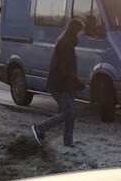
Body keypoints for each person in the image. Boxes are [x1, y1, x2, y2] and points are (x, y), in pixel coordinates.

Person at [31, 18, 84, 148]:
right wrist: (76, 82)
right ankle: (39, 128)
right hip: (61, 85)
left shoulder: (67, 43)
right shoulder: (66, 45)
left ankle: (68, 142)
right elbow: (65, 70)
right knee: (68, 112)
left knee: (71, 112)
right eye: (80, 32)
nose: (81, 34)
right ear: (75, 31)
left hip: (64, 84)